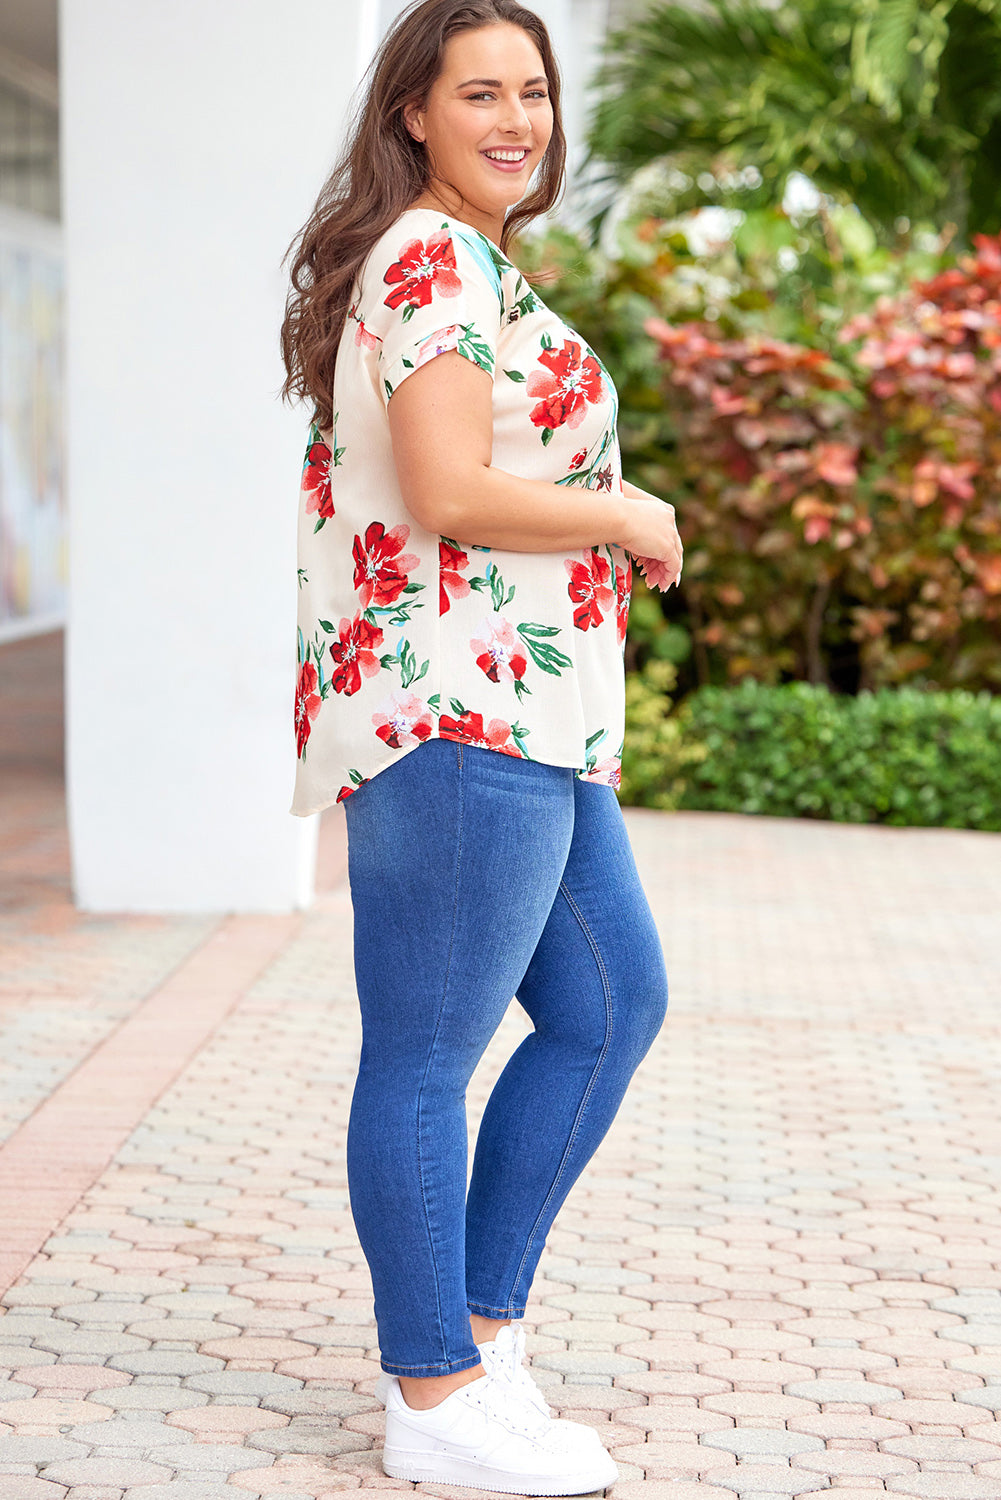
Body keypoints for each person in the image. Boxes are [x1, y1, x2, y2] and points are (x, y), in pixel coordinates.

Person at [280, 0, 683, 1490]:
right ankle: (431, 1397)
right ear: (413, 116)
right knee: (425, 1057)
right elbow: (451, 488)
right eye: (478, 95)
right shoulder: (434, 260)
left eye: (532, 92)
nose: (515, 120)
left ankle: (481, 1337)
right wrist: (629, 517)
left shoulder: (475, 262)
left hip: (532, 709)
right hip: (458, 708)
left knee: (607, 1005)